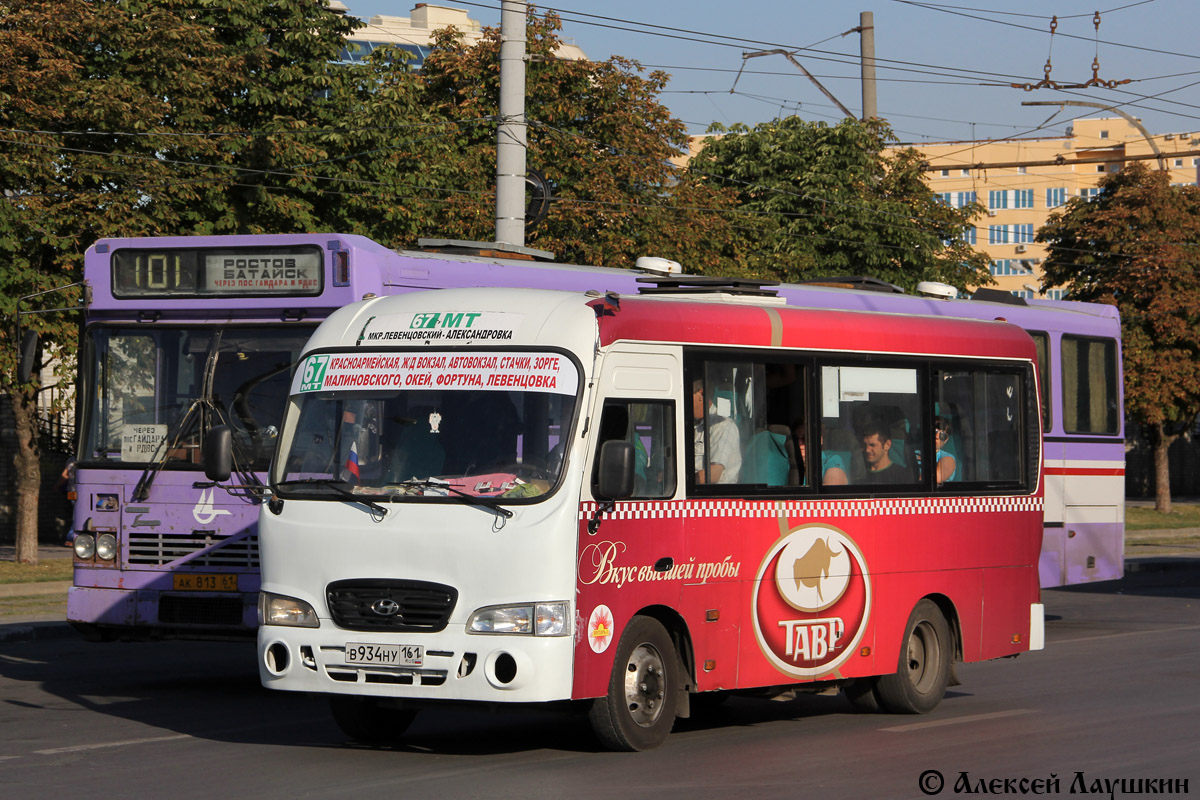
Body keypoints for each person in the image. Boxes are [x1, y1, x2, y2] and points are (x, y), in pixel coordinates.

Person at [693, 379, 740, 484]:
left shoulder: (723, 426)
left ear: (701, 394)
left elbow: (714, 475)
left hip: (710, 497)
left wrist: (681, 481)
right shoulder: (695, 426)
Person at [792, 419, 848, 486]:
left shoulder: (832, 461)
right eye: (795, 440)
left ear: (820, 440)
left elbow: (829, 493)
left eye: (805, 438)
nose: (799, 445)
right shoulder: (788, 464)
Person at [934, 416, 958, 484]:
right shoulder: (912, 452)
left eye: (942, 435)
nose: (937, 437)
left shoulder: (948, 458)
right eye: (935, 431)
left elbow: (937, 478)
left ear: (946, 440)